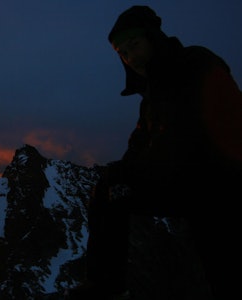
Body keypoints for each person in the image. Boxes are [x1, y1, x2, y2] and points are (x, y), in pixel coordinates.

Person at [67, 5, 242, 300]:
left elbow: (188, 137)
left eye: (134, 45)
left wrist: (132, 172)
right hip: (189, 184)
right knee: (109, 190)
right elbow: (141, 143)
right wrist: (122, 171)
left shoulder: (194, 64)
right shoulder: (153, 94)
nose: (130, 57)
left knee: (222, 261)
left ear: (153, 37)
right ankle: (105, 286)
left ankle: (105, 287)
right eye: (122, 53)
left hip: (220, 183)